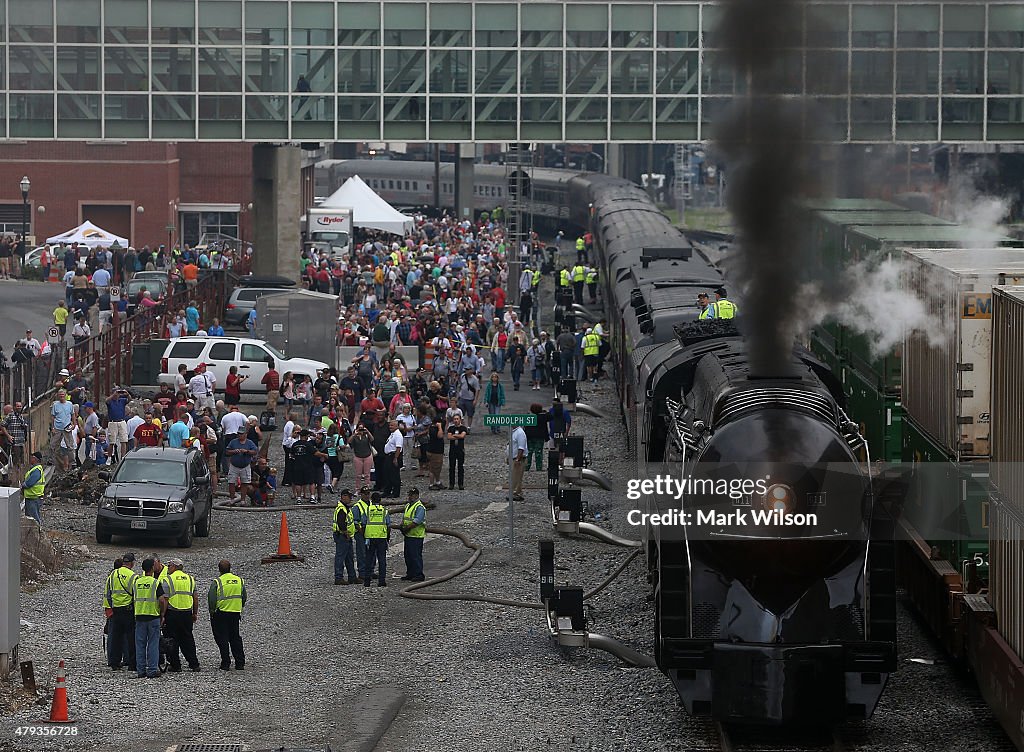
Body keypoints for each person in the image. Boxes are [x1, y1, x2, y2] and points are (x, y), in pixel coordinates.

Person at [163, 558, 201, 672]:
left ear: (175, 567)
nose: (168, 568)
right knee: (188, 638)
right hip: (186, 613)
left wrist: (162, 615)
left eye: (169, 566)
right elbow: (195, 598)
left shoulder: (168, 580)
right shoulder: (190, 579)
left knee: (171, 640)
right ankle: (194, 664)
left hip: (172, 613)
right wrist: (195, 613)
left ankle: (175, 665)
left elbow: (165, 599)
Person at [132, 557, 167, 679]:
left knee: (140, 644)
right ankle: (152, 670)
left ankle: (140, 670)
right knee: (153, 643)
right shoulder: (155, 583)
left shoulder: (136, 582)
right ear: (152, 568)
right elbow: (162, 600)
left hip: (140, 616)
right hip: (153, 616)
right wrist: (162, 613)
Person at [209, 560, 246, 670]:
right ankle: (240, 662)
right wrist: (239, 606)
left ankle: (225, 663)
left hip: (221, 613)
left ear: (219, 569)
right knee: (235, 637)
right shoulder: (239, 580)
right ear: (230, 568)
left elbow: (212, 598)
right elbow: (244, 596)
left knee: (222, 638)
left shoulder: (217, 582)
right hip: (235, 612)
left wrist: (212, 611)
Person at [103, 552, 137, 672]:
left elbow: (108, 593)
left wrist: (110, 607)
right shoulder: (133, 576)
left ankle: (114, 662)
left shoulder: (112, 575)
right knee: (131, 637)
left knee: (115, 637)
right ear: (132, 563)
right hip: (128, 610)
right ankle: (132, 663)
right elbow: (135, 595)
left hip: (115, 610)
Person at [363, 491, 391, 587]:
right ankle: (382, 581)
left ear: (371, 500)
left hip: (370, 538)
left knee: (369, 559)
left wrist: (365, 534)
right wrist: (387, 537)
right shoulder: (384, 511)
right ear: (380, 500)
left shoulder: (368, 510)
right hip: (381, 537)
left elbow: (363, 523)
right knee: (382, 560)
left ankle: (367, 581)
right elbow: (388, 525)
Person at [400, 487, 426, 582]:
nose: (410, 497)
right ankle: (410, 573)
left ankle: (418, 574)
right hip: (409, 535)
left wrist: (406, 528)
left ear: (417, 495)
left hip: (416, 535)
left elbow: (417, 521)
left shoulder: (419, 507)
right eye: (409, 495)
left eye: (412, 495)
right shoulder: (408, 506)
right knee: (408, 555)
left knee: (415, 556)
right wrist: (402, 525)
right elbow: (405, 518)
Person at [226, 427, 257, 505]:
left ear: (245, 434)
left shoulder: (250, 443)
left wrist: (247, 451)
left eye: (241, 434)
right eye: (238, 434)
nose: (239, 435)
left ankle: (243, 500)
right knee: (231, 482)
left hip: (245, 465)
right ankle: (232, 499)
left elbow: (255, 451)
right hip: (234, 465)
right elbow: (227, 451)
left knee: (245, 483)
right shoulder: (233, 442)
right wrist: (233, 451)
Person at [332, 489, 358, 585]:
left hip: (345, 535)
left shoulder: (344, 508)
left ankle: (352, 577)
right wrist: (345, 533)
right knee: (341, 557)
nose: (350, 499)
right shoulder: (342, 509)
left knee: (349, 557)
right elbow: (341, 523)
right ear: (343, 496)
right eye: (349, 497)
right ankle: (339, 577)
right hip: (343, 536)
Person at [49, 390, 75, 473]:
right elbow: (52, 417)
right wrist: (52, 427)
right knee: (53, 446)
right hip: (57, 428)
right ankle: (57, 464)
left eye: (63, 395)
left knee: (70, 446)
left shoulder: (70, 404)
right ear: (58, 396)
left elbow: (73, 415)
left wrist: (74, 424)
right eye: (60, 395)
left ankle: (72, 464)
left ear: (65, 395)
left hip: (67, 428)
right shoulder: (55, 405)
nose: (61, 396)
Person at [352, 486, 372, 582]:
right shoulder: (357, 506)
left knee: (371, 553)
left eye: (368, 493)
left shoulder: (372, 504)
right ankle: (362, 573)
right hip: (361, 533)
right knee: (362, 553)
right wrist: (361, 531)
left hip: (371, 532)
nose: (367, 495)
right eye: (365, 494)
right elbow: (355, 522)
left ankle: (370, 571)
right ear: (361, 494)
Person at [21, 451, 46, 525]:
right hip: (31, 497)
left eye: (32, 458)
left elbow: (30, 483)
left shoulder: (36, 470)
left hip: (33, 497)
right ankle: (32, 533)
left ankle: (37, 532)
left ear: (35, 459)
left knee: (34, 518)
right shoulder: (35, 469)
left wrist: (23, 485)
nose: (30, 459)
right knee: (30, 518)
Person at [106, 386, 131, 459]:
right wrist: (113, 394)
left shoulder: (122, 400)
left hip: (121, 421)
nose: (117, 394)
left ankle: (123, 457)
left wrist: (127, 394)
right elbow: (106, 401)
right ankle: (109, 457)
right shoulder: (110, 401)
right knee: (112, 442)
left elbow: (129, 400)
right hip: (113, 422)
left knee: (124, 440)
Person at [382, 419, 403, 498]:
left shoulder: (398, 435)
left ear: (397, 426)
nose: (390, 427)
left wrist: (395, 458)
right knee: (388, 474)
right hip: (388, 456)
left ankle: (396, 493)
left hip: (393, 456)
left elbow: (398, 447)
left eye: (392, 425)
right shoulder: (392, 434)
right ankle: (387, 491)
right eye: (390, 425)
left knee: (394, 475)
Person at [446, 414, 468, 490]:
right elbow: (449, 437)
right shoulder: (450, 428)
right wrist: (458, 436)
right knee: (451, 467)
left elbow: (463, 436)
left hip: (460, 450)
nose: (456, 420)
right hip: (452, 450)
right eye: (454, 419)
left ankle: (460, 484)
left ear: (460, 420)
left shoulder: (463, 428)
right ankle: (451, 484)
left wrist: (454, 436)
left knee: (460, 467)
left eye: (457, 419)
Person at [510, 423, 528, 502]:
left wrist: (518, 459)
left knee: (516, 476)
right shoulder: (514, 432)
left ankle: (516, 493)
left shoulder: (520, 433)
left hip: (519, 459)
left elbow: (521, 447)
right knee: (516, 476)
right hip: (514, 458)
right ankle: (517, 493)